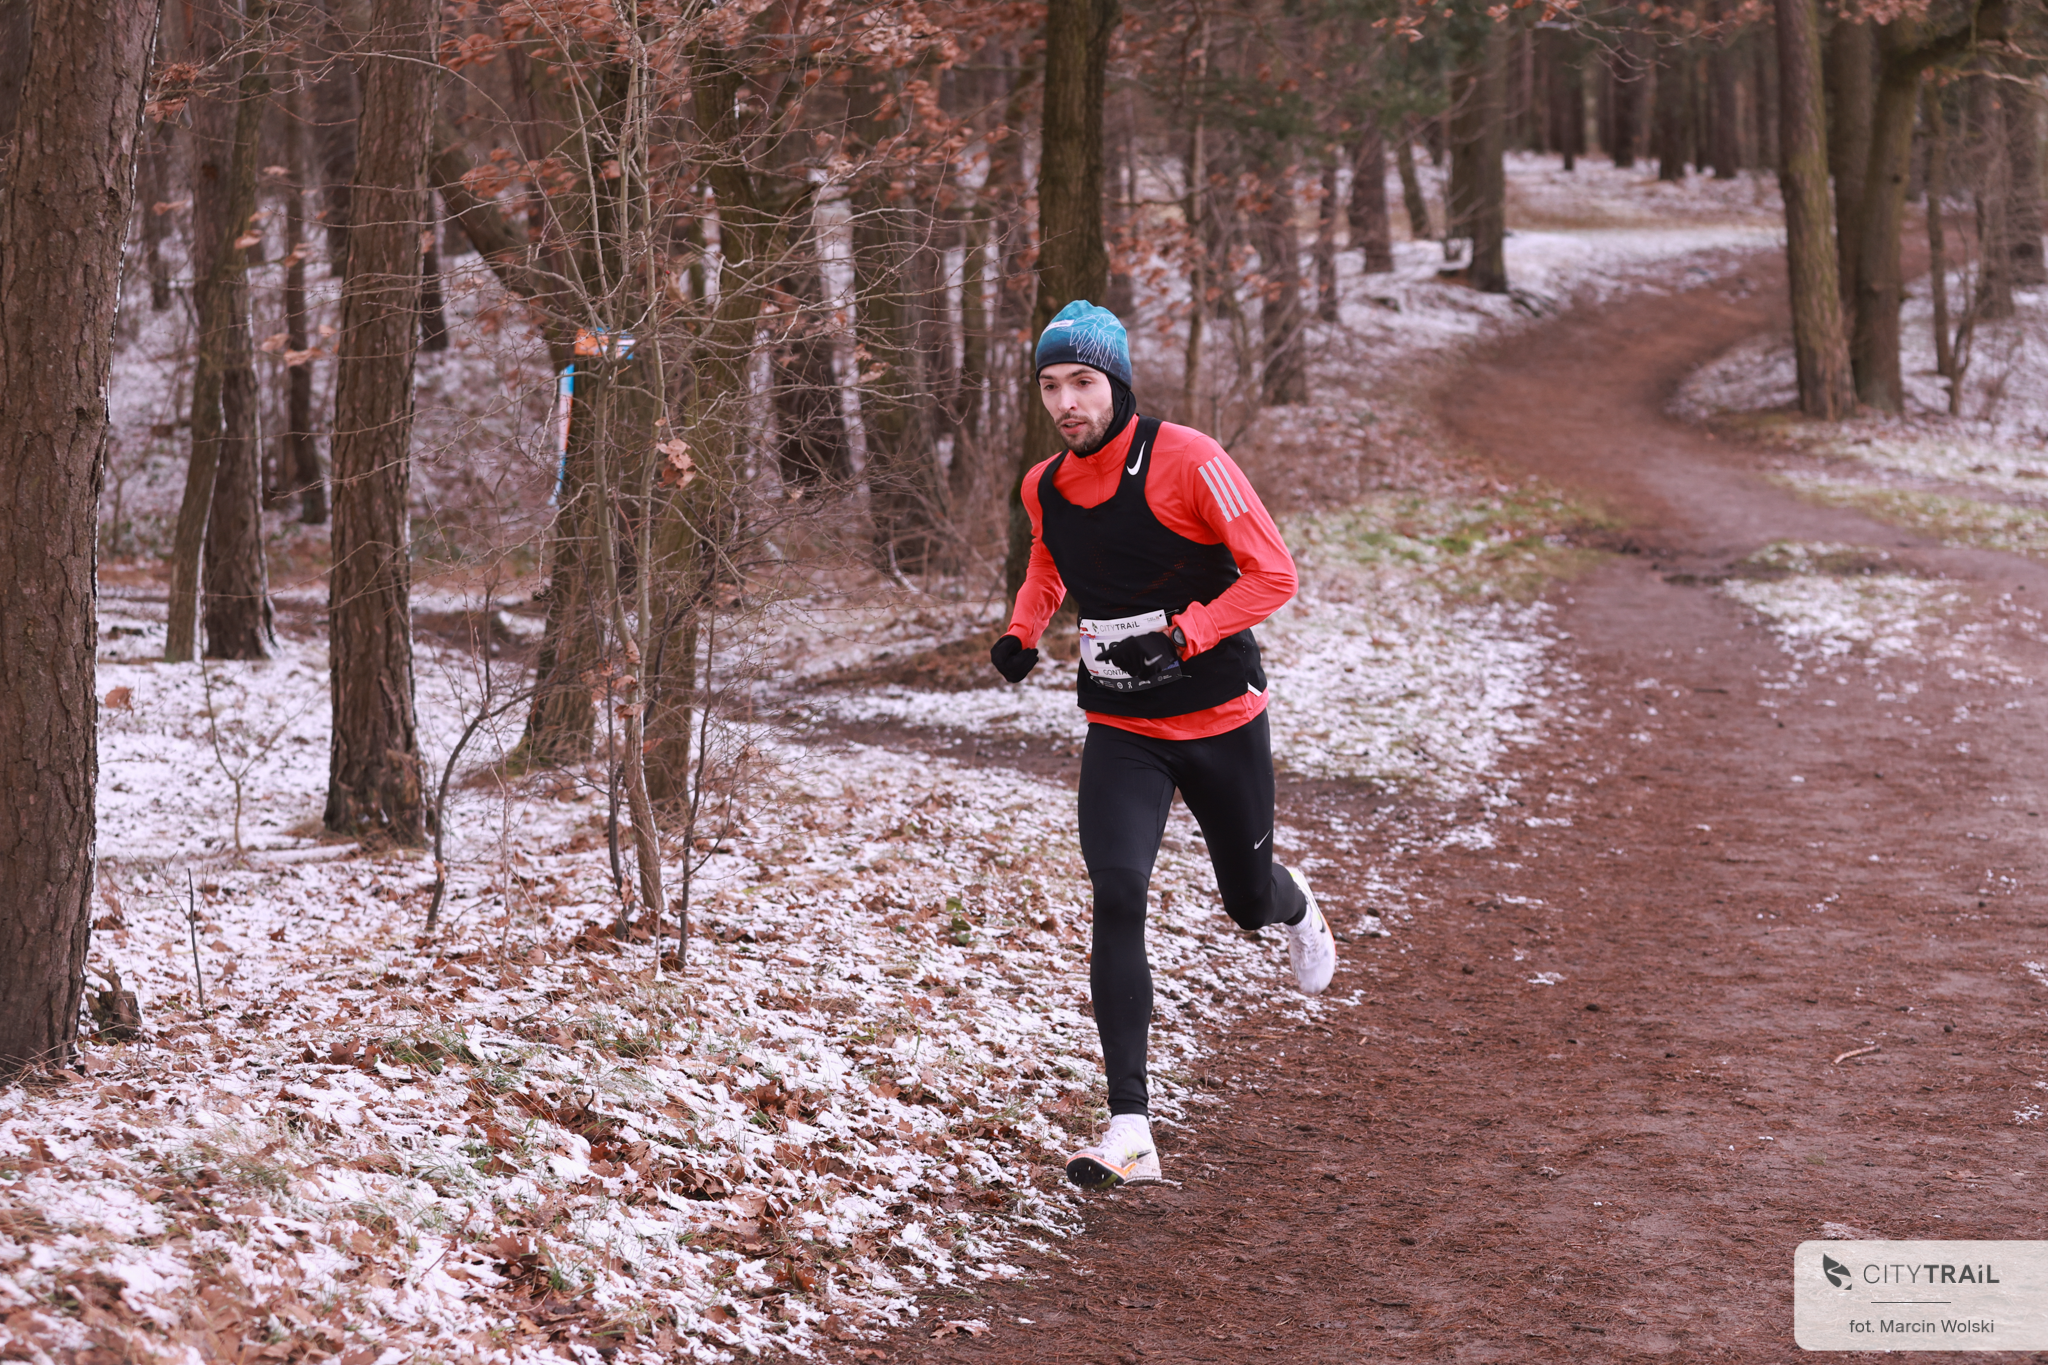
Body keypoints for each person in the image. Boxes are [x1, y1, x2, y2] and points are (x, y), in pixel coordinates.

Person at [989, 299, 1336, 1190]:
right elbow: (1049, 562)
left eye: (1082, 382)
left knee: (1245, 900)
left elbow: (1274, 573)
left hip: (1221, 718)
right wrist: (1024, 630)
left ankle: (1294, 905)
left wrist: (1186, 635)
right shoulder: (1044, 485)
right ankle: (1130, 1126)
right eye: (1050, 386)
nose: (1066, 403)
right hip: (1121, 727)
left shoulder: (1190, 458)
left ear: (1117, 382)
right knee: (1117, 892)